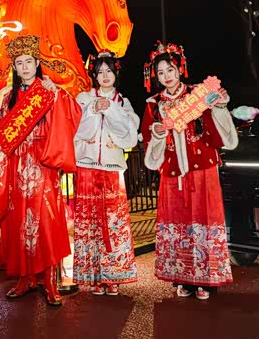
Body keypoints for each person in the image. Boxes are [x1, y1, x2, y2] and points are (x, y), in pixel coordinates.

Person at [0, 34, 81, 306]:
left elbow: (72, 114)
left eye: (29, 61)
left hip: (43, 163)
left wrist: (57, 94)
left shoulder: (49, 90)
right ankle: (25, 278)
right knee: (17, 222)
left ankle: (49, 280)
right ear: (15, 68)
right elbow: (1, 130)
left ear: (37, 63)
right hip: (16, 165)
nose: (25, 67)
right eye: (19, 63)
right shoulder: (9, 98)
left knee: (47, 221)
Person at [141, 41, 238, 301]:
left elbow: (218, 127)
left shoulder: (198, 94)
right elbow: (150, 143)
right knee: (179, 223)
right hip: (173, 173)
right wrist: (157, 134)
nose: (166, 76)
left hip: (202, 169)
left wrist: (220, 104)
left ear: (179, 69)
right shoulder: (154, 104)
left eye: (170, 70)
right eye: (160, 73)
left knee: (204, 221)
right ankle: (182, 277)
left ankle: (206, 280)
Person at [72, 50, 139, 296]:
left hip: (111, 169)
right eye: (100, 72)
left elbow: (128, 136)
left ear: (115, 74)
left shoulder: (123, 102)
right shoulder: (83, 98)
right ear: (94, 75)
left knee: (113, 223)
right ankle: (92, 277)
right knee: (89, 222)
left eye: (109, 71)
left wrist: (110, 110)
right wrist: (92, 110)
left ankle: (113, 277)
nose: (105, 76)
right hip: (86, 166)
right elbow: (76, 129)